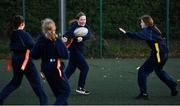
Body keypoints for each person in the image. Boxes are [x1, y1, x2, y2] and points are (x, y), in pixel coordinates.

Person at [119, 15, 178, 100]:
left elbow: (138, 35)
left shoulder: (148, 30)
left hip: (159, 54)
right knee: (159, 71)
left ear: (146, 23)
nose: (140, 24)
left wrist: (126, 33)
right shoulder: (152, 29)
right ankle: (173, 86)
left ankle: (144, 94)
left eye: (142, 22)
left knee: (143, 71)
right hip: (163, 53)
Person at [0, 15, 48, 105]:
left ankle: (1, 97)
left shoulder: (13, 33)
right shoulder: (23, 34)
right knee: (37, 84)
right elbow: (33, 45)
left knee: (15, 82)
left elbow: (29, 43)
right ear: (22, 24)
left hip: (15, 59)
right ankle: (44, 103)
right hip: (25, 61)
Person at [31, 18, 70, 105]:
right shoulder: (56, 40)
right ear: (54, 28)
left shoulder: (40, 40)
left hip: (46, 71)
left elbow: (34, 55)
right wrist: (62, 44)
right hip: (56, 70)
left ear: (43, 29)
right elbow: (65, 55)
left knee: (59, 95)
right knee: (66, 92)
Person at [62, 12, 91, 95]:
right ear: (78, 20)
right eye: (81, 19)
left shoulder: (85, 26)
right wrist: (64, 37)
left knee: (70, 70)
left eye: (84, 19)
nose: (83, 21)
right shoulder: (74, 27)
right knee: (85, 68)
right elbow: (67, 34)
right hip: (75, 51)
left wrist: (82, 38)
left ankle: (59, 85)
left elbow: (89, 34)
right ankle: (80, 87)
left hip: (78, 51)